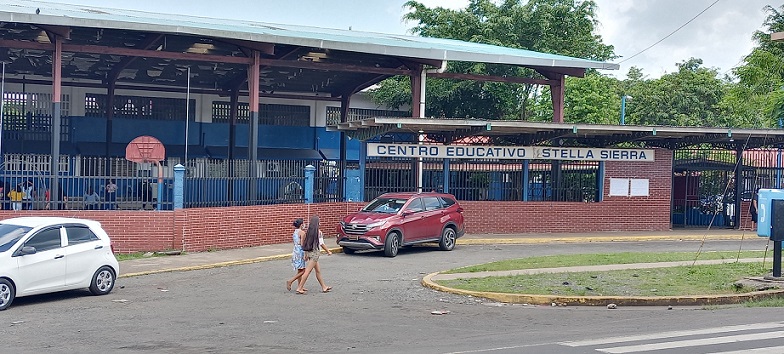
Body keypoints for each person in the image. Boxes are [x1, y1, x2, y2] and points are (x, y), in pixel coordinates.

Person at [294, 215, 332, 295]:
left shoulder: (308, 231)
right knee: (307, 271)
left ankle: (324, 287)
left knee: (318, 271)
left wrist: (306, 253)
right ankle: (299, 287)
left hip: (309, 252)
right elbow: (321, 243)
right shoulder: (319, 232)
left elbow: (306, 243)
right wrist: (328, 251)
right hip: (315, 253)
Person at [286, 219, 307, 292]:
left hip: (295, 250)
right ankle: (290, 281)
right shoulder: (302, 233)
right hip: (300, 251)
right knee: (303, 270)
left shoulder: (295, 232)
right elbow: (302, 244)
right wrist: (305, 253)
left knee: (300, 269)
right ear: (301, 225)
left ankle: (300, 285)